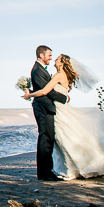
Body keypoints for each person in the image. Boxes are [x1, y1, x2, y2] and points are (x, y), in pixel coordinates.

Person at [24, 53, 104, 180]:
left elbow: (46, 91)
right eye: (52, 57)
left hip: (60, 111)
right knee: (69, 138)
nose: (54, 59)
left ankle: (74, 168)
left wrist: (30, 95)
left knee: (66, 138)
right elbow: (52, 91)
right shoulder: (63, 75)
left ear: (61, 63)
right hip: (61, 109)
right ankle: (80, 165)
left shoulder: (58, 75)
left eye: (57, 59)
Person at [28, 45, 68, 181]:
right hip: (42, 108)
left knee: (49, 139)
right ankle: (44, 173)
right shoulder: (37, 70)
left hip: (46, 108)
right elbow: (48, 91)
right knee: (45, 139)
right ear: (41, 56)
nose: (51, 58)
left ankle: (47, 171)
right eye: (49, 55)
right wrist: (64, 98)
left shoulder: (41, 70)